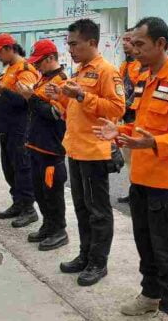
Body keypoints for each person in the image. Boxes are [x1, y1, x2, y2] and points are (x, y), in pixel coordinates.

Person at [94, 17, 168, 321]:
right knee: (146, 243)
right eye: (133, 44)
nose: (134, 49)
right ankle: (151, 293)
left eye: (140, 44)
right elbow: (141, 124)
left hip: (167, 182)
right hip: (141, 177)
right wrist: (119, 131)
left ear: (160, 44)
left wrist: (154, 143)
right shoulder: (145, 78)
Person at [46, 19, 125, 286]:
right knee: (81, 208)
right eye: (68, 44)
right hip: (76, 149)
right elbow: (75, 108)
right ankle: (85, 255)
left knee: (98, 211)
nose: (70, 49)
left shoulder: (106, 71)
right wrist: (59, 95)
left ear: (92, 42)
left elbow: (116, 108)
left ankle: (98, 262)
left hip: (95, 152)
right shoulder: (79, 71)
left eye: (74, 44)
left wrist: (82, 96)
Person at [0, 33, 40, 227]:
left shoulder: (25, 69)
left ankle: (28, 209)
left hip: (20, 128)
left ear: (9, 49)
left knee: (22, 169)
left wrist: (2, 91)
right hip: (6, 127)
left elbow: (26, 100)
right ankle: (17, 203)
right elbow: (5, 95)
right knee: (9, 168)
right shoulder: (9, 69)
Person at [16, 39, 69, 251]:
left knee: (52, 192)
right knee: (39, 191)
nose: (36, 66)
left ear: (51, 58)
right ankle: (48, 225)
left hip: (51, 148)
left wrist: (31, 98)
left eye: (39, 61)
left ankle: (59, 230)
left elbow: (55, 113)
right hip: (36, 145)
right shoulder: (42, 79)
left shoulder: (62, 82)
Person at [117, 29, 144, 204]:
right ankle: (133, 189)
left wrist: (126, 105)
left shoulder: (142, 65)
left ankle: (139, 191)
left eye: (128, 40)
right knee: (129, 159)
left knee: (139, 158)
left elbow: (139, 91)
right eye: (124, 40)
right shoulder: (124, 65)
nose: (125, 43)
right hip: (126, 118)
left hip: (136, 118)